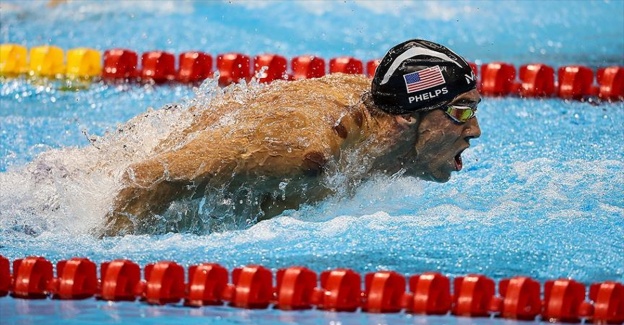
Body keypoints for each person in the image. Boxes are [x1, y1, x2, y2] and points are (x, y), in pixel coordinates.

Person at [103, 39, 482, 236]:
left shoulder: (386, 123)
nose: (474, 130)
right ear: (408, 117)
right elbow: (151, 175)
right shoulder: (305, 153)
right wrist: (107, 249)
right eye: (462, 111)